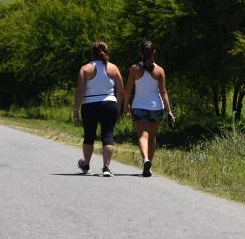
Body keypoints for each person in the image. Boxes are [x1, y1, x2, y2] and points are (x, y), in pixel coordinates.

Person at [123, 40, 174, 177]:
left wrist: (125, 105)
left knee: (143, 135)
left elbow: (128, 89)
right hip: (156, 108)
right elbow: (163, 92)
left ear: (141, 53)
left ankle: (145, 159)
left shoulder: (134, 69)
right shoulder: (160, 70)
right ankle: (149, 164)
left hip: (139, 107)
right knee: (152, 136)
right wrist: (169, 111)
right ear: (154, 52)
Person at [73, 42, 124, 177]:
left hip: (90, 105)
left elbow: (80, 91)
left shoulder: (85, 69)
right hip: (109, 104)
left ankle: (86, 165)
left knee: (89, 136)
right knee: (108, 135)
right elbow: (120, 90)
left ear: (92, 53)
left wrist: (76, 109)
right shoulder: (113, 68)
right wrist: (118, 106)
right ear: (106, 52)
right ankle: (106, 167)